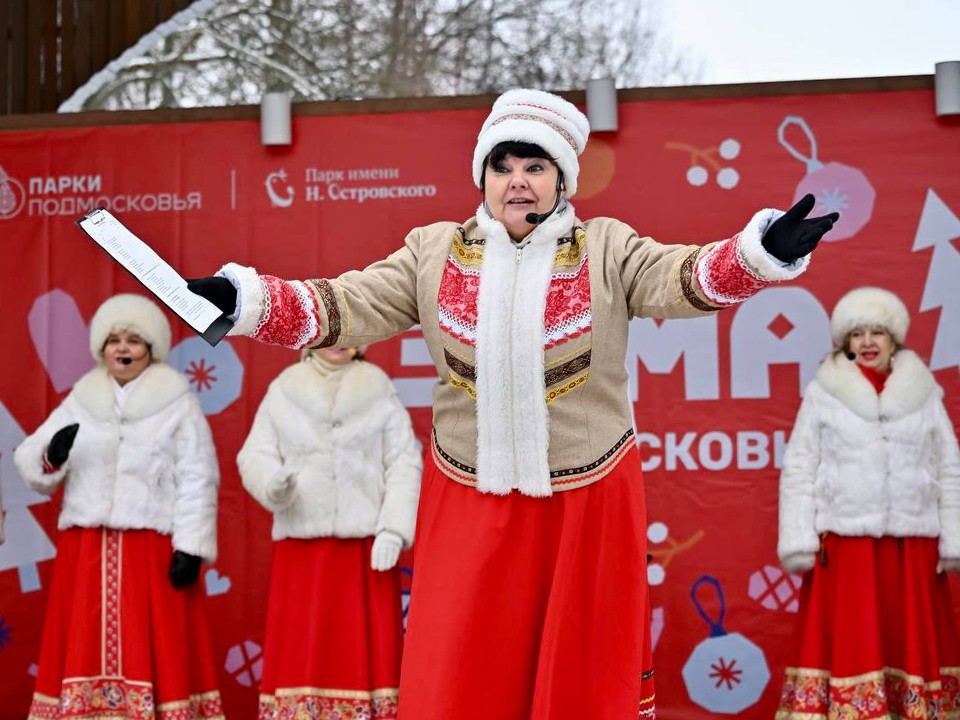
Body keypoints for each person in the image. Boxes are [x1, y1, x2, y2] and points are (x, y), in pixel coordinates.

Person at [187, 88, 839, 719]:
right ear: (484, 175)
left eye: (535, 166)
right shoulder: (433, 251)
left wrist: (759, 256)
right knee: (459, 665)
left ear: (562, 179)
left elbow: (682, 277)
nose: (518, 180)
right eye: (503, 165)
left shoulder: (607, 248)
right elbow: (345, 303)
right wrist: (243, 300)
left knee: (581, 669)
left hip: (585, 499)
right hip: (468, 494)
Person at [14, 294, 223, 720]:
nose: (122, 349)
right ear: (101, 348)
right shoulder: (82, 400)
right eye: (114, 340)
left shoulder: (177, 404)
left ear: (151, 350)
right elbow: (32, 459)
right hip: (87, 549)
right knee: (82, 642)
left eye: (133, 341)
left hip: (150, 549)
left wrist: (191, 547)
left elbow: (199, 477)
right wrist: (50, 455)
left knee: (157, 644)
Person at [776, 287, 960, 719]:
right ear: (845, 341)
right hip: (846, 547)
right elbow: (800, 467)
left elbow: (949, 468)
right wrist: (798, 539)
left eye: (878, 331)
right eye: (857, 333)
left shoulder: (924, 393)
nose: (868, 341)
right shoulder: (825, 392)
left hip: (912, 549)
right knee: (851, 642)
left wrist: (952, 541)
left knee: (910, 641)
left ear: (895, 338)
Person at [237, 344, 421, 719]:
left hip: (364, 551)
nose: (339, 341)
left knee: (360, 649)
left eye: (350, 332)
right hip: (301, 548)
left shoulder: (377, 387)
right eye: (330, 332)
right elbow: (254, 454)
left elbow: (404, 462)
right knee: (301, 649)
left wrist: (392, 529)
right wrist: (272, 482)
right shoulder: (285, 387)